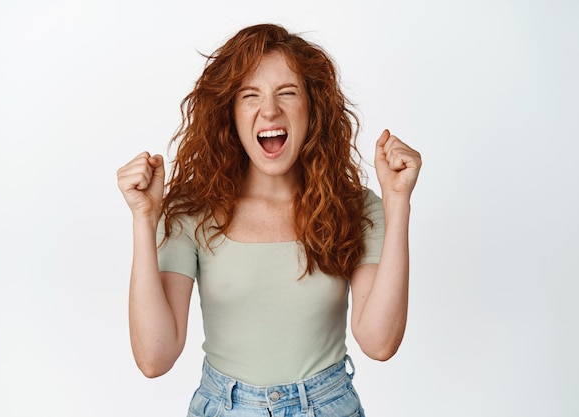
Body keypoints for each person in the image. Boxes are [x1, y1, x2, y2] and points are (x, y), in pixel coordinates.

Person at [117, 23, 421, 417]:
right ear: (229, 112)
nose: (270, 110)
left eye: (287, 93)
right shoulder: (192, 209)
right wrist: (144, 218)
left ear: (314, 107)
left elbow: (380, 343)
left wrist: (398, 203)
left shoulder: (356, 206)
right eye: (250, 95)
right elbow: (154, 359)